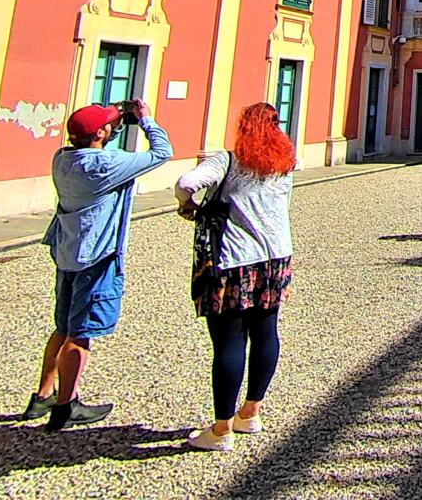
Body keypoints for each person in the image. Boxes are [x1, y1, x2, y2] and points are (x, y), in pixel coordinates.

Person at [27, 99, 173, 431]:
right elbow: (162, 152)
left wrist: (110, 115)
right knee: (81, 334)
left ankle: (43, 395)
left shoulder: (61, 160)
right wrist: (146, 120)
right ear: (102, 134)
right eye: (108, 126)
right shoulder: (106, 165)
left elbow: (92, 136)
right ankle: (66, 406)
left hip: (66, 251)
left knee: (62, 327)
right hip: (96, 255)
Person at [174, 102, 296, 452]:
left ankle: (221, 429)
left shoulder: (226, 160)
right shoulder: (287, 163)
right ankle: (251, 411)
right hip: (276, 258)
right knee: (266, 332)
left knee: (228, 341)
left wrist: (188, 205)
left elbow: (186, 183)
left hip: (234, 260)